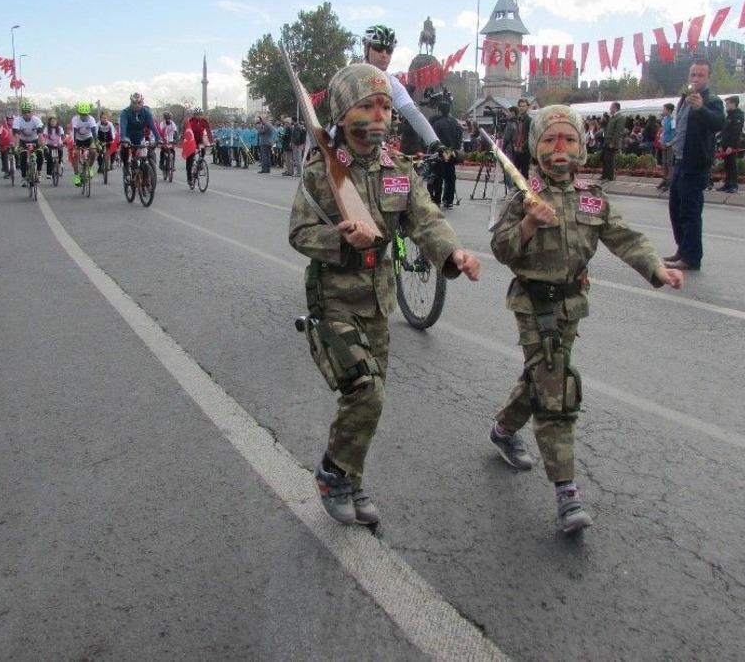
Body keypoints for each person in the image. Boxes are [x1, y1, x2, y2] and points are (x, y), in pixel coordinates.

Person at [289, 63, 480, 526]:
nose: (379, 116)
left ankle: (350, 478)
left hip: (378, 302)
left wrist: (452, 253)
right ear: (341, 114)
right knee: (366, 391)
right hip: (334, 301)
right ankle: (332, 473)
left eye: (385, 107)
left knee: (369, 399)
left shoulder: (400, 170)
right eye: (367, 106)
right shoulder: (321, 171)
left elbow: (425, 219)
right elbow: (298, 233)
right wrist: (340, 240)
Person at [488, 104, 683, 534]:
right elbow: (501, 249)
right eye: (550, 139)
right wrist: (528, 224)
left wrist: (656, 268)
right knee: (556, 387)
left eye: (569, 139)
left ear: (581, 147)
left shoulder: (593, 196)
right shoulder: (521, 197)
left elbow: (625, 238)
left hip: (572, 305)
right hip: (533, 304)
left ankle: (503, 429)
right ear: (535, 147)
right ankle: (566, 492)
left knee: (543, 375)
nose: (560, 147)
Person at [664, 60, 725, 271]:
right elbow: (681, 126)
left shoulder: (712, 100)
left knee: (690, 211)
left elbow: (718, 123)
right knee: (675, 208)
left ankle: (691, 257)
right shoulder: (684, 98)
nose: (696, 79)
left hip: (696, 163)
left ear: (708, 78)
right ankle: (683, 249)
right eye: (693, 75)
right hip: (680, 161)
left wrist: (701, 108)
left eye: (700, 75)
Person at [361, 25, 442, 154]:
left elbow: (413, 114)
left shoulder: (392, 83)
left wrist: (436, 144)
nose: (384, 54)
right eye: (378, 48)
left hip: (374, 148)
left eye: (389, 50)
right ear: (366, 48)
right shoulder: (351, 76)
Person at [428, 95, 463, 208]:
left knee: (438, 176)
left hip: (441, 151)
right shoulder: (455, 122)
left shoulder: (437, 124)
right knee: (450, 176)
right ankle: (449, 199)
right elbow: (460, 134)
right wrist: (456, 147)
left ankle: (437, 200)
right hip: (452, 151)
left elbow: (433, 140)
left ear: (439, 110)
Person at [119, 93, 163, 173]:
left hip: (140, 137)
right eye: (134, 103)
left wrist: (158, 138)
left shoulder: (146, 112)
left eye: (139, 103)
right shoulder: (125, 113)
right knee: (124, 149)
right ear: (131, 103)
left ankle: (145, 173)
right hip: (128, 137)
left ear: (142, 102)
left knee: (145, 156)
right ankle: (126, 166)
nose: (137, 105)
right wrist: (123, 138)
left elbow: (153, 127)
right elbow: (123, 127)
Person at [12, 100, 45, 185]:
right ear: (22, 113)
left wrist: (43, 146)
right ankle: (23, 177)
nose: (27, 114)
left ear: (32, 112)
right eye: (24, 112)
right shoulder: (17, 120)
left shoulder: (36, 120)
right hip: (23, 141)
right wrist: (16, 146)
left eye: (29, 112)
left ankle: (39, 173)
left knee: (40, 154)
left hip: (34, 140)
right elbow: (16, 135)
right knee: (23, 156)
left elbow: (40, 134)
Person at [68, 102, 98, 186]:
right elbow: (74, 132)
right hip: (77, 139)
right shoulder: (75, 119)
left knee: (93, 151)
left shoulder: (91, 119)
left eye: (85, 114)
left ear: (88, 113)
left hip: (88, 138)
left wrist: (96, 142)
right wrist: (74, 144)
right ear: (79, 113)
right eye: (82, 114)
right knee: (76, 154)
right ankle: (77, 176)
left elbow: (94, 132)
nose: (84, 116)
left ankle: (90, 168)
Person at [718, 96, 744, 193]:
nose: (726, 106)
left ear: (733, 103)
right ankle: (728, 184)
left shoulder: (738, 116)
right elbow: (725, 131)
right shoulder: (729, 115)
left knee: (732, 165)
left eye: (728, 104)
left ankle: (734, 185)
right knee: (727, 165)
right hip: (725, 143)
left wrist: (731, 146)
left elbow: (736, 132)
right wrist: (721, 145)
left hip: (731, 145)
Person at [601, 101, 625, 181]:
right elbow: (607, 129)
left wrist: (613, 142)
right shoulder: (612, 117)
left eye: (611, 107)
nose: (610, 109)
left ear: (615, 108)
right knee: (604, 159)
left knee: (609, 160)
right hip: (606, 141)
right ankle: (604, 175)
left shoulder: (620, 118)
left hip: (612, 143)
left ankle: (610, 176)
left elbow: (618, 132)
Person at [657, 102, 676, 191]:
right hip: (664, 143)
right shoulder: (664, 119)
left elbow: (673, 133)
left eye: (664, 109)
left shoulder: (672, 120)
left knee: (669, 163)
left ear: (669, 110)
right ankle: (664, 180)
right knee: (664, 162)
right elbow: (663, 131)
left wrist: (670, 142)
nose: (663, 111)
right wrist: (661, 140)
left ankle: (669, 181)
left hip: (669, 144)